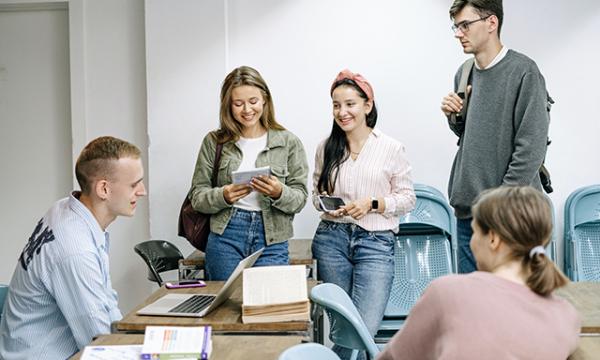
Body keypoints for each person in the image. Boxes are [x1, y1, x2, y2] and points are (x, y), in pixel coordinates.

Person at [378, 186, 580, 360]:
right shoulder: (566, 316)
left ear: (493, 239)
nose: (472, 242)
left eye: (475, 232)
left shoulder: (448, 292)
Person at [0, 136, 147, 359]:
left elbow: (106, 304)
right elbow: (101, 344)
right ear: (104, 189)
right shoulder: (75, 250)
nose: (142, 191)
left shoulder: (66, 209)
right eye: (134, 184)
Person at [312, 69, 416, 360]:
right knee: (342, 325)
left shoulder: (391, 148)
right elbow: (315, 194)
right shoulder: (326, 148)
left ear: (367, 105)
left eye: (350, 104)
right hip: (331, 240)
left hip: (376, 242)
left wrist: (372, 204)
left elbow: (408, 199)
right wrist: (328, 205)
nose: (342, 112)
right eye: (336, 105)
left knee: (363, 326)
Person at [441, 0, 551, 273]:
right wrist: (454, 116)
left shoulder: (524, 71)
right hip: (469, 215)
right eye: (456, 26)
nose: (458, 33)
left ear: (492, 23)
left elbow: (531, 148)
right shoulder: (464, 72)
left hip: (510, 216)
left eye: (465, 25)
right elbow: (471, 135)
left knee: (516, 308)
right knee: (473, 309)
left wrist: (498, 206)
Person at [189, 65, 308, 281]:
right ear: (228, 106)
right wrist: (223, 195)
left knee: (267, 308)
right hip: (226, 235)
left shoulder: (288, 142)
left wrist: (278, 192)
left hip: (272, 238)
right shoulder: (214, 142)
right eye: (238, 103)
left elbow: (300, 199)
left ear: (265, 99)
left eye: (253, 101)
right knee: (224, 309)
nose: (247, 110)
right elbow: (197, 197)